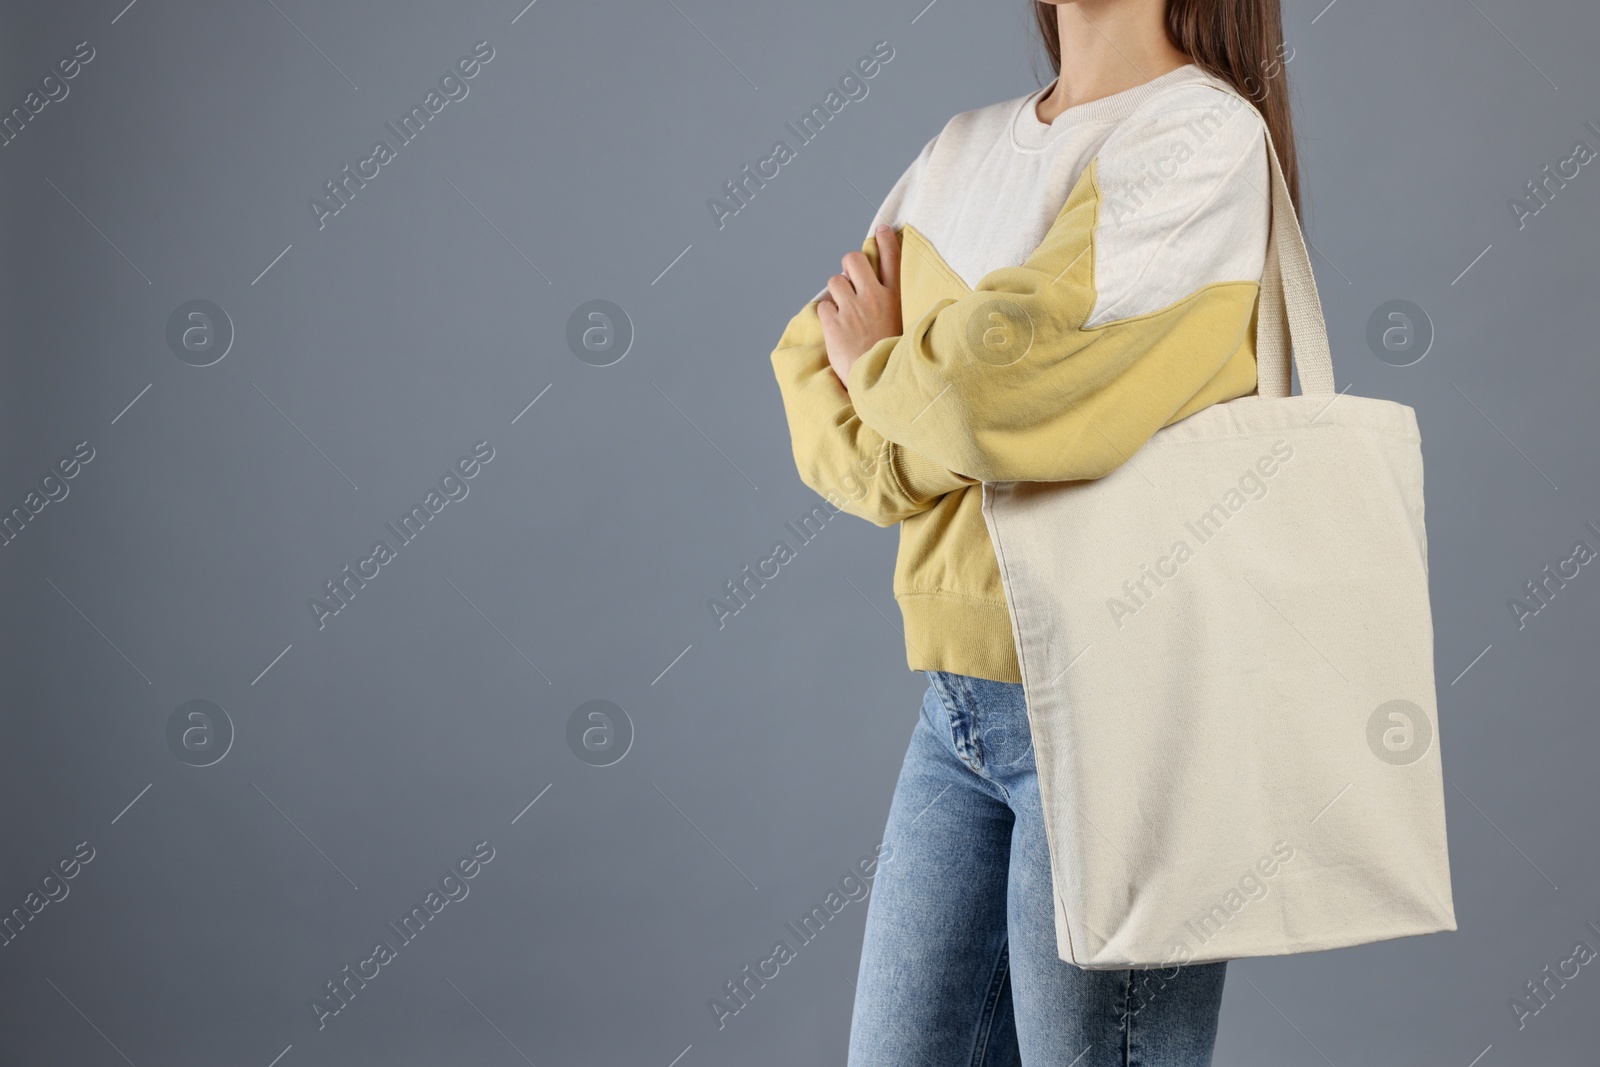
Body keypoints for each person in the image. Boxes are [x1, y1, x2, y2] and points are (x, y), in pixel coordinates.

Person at [769, 1, 1299, 1063]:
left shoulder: (1200, 139)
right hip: (959, 710)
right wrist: (929, 403)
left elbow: (992, 378)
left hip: (1125, 709)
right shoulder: (958, 149)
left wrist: (892, 372)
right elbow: (806, 376)